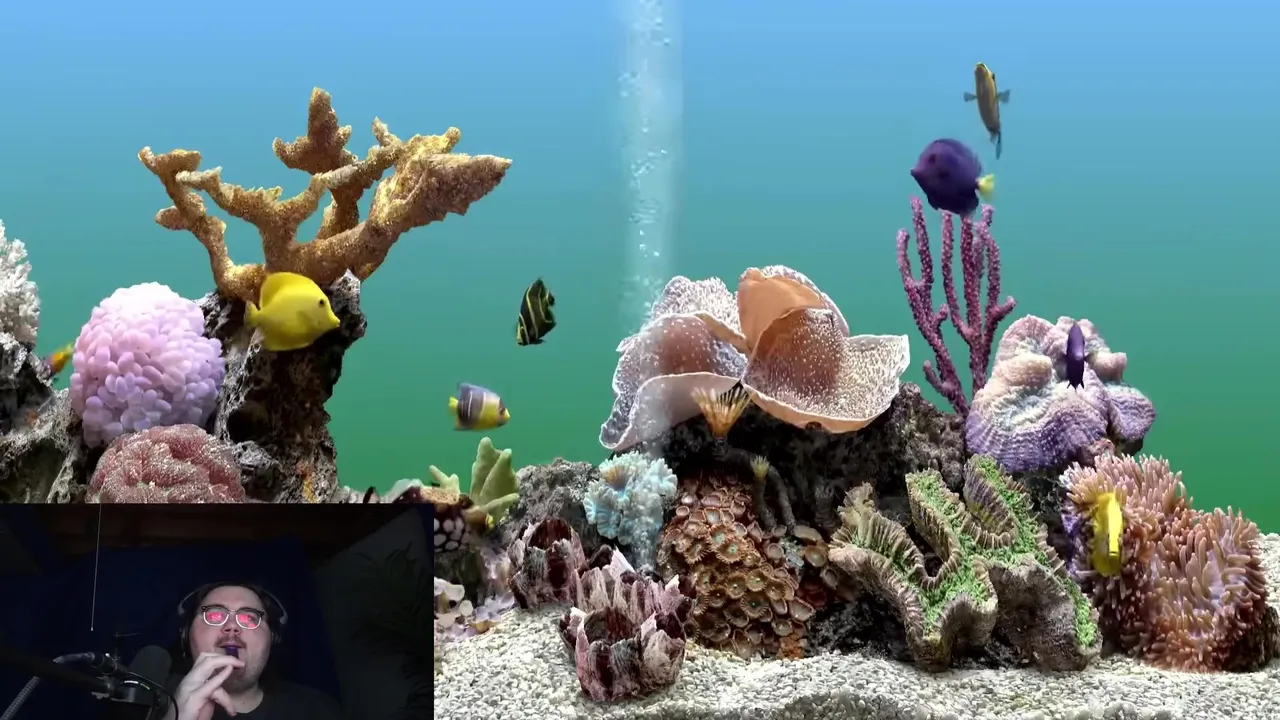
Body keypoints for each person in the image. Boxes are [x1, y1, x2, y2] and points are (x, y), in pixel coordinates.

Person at [163, 582, 345, 720]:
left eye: (249, 618)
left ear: (272, 639)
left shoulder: (316, 709)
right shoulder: (152, 695)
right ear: (186, 635)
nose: (232, 626)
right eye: (215, 615)